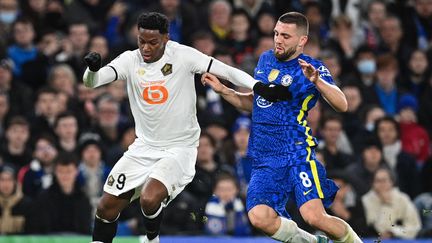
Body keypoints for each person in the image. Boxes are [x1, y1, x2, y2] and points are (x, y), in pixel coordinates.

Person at [83, 12, 291, 243]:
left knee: (149, 198)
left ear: (166, 38)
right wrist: (91, 70)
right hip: (143, 147)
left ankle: (152, 239)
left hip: (179, 148)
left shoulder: (182, 55)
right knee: (106, 207)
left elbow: (226, 70)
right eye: (142, 41)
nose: (146, 48)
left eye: (153, 42)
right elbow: (93, 82)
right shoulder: (129, 60)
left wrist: (259, 86)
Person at [201, 12, 363, 243]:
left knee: (314, 216)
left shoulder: (312, 68)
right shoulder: (265, 60)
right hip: (265, 156)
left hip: (295, 152)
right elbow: (256, 103)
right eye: (276, 33)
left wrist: (317, 81)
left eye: (286, 36)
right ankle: (314, 242)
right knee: (260, 217)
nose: (278, 39)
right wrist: (225, 91)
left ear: (302, 41)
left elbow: (342, 104)